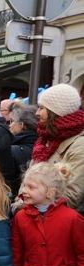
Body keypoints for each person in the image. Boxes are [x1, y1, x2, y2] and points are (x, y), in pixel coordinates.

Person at [10, 162, 84, 266]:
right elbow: (17, 255)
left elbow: (82, 255)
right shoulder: (21, 218)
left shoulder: (72, 218)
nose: (24, 191)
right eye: (24, 186)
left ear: (50, 192)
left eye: (31, 187)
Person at [32, 84, 84, 213]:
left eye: (41, 108)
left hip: (57, 223)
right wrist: (21, 202)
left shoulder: (79, 145)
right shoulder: (44, 139)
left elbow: (71, 196)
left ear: (56, 111)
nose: (37, 113)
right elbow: (28, 182)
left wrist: (32, 207)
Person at [9, 104, 38, 173]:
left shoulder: (12, 150)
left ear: (21, 125)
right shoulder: (41, 145)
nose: (10, 125)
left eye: (12, 121)